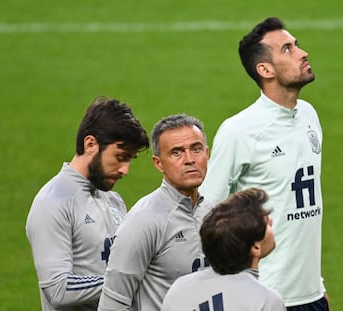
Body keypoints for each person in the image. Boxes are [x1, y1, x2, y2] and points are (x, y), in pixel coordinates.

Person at [200, 17, 330, 310]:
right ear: (265, 69)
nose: (302, 52)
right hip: (262, 296)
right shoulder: (239, 131)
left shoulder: (309, 116)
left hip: (311, 295)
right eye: (287, 49)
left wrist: (317, 288)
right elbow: (206, 215)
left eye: (297, 45)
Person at [25, 96, 149, 311]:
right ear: (90, 144)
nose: (125, 170)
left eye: (130, 159)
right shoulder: (53, 203)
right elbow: (58, 289)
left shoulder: (113, 200)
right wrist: (128, 279)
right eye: (120, 157)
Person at [97, 113, 212, 311]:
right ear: (158, 163)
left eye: (196, 149)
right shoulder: (143, 221)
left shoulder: (214, 213)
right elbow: (113, 304)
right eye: (176, 152)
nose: (189, 159)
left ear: (207, 154)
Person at [162, 188, 285, 311]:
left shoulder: (179, 289)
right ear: (255, 247)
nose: (271, 221)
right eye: (266, 223)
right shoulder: (266, 300)